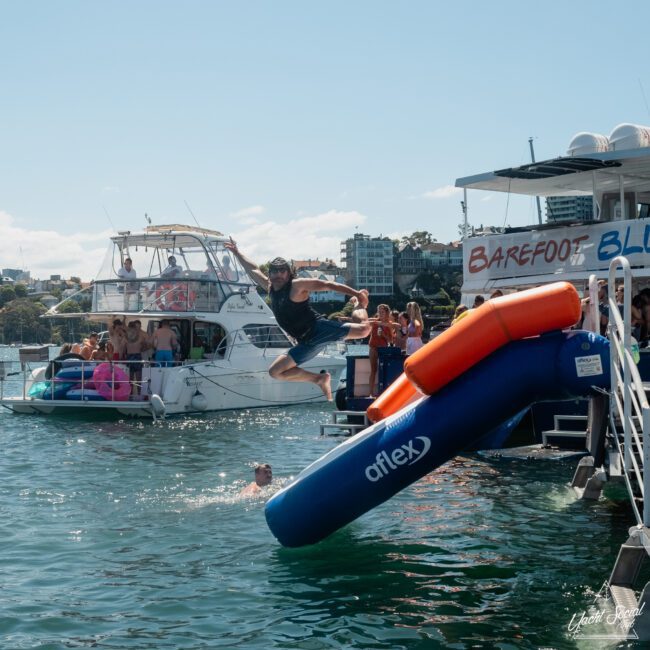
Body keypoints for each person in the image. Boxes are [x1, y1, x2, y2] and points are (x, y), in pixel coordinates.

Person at [225, 241, 371, 400]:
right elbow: (252, 268)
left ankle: (358, 305)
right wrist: (237, 253)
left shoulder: (297, 285)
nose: (278, 274)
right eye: (274, 271)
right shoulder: (270, 287)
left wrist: (356, 294)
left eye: (282, 271)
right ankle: (319, 379)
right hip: (305, 343)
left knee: (364, 330)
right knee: (275, 372)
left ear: (288, 273)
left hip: (319, 329)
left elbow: (327, 284)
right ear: (270, 273)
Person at [368, 304, 394, 396]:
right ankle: (370, 393)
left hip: (383, 349)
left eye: (382, 312)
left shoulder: (389, 324)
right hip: (373, 347)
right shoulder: (375, 322)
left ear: (386, 312)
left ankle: (383, 393)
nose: (380, 313)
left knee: (383, 370)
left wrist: (383, 335)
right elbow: (365, 321)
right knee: (373, 370)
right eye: (379, 311)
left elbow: (391, 340)